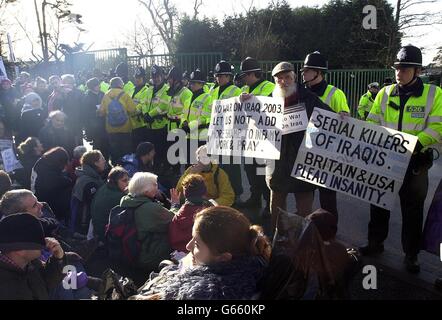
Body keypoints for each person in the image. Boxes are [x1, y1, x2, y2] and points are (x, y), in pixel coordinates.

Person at [361, 45, 442, 274]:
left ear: (417, 71)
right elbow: (372, 121)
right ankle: (375, 243)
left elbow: (438, 127)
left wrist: (415, 143)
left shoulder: (434, 94)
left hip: (415, 163)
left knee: (412, 211)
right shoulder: (384, 93)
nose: (399, 72)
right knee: (377, 203)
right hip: (385, 160)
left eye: (405, 69)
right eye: (397, 68)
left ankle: (411, 255)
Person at [132, 206, 271, 300]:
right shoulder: (248, 268)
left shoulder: (204, 294)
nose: (188, 246)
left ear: (223, 258)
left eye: (197, 244)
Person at [267, 62, 331, 234]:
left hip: (303, 163)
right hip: (277, 165)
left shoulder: (308, 98)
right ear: (275, 81)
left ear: (294, 78)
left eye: (288, 77)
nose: (284, 81)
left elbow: (328, 117)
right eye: (280, 78)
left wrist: (340, 116)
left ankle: (303, 244)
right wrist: (246, 100)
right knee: (277, 210)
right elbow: (252, 118)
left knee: (304, 211)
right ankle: (276, 243)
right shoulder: (268, 100)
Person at [301, 51, 349, 217]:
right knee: (305, 196)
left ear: (318, 72)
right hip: (305, 152)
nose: (303, 73)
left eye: (307, 70)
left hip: (327, 156)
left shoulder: (335, 93)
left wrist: (344, 117)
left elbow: (345, 124)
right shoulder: (300, 92)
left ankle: (329, 236)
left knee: (327, 199)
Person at [118, 172, 174, 282]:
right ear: (146, 190)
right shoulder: (150, 208)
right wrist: (175, 205)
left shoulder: (128, 201)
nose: (157, 187)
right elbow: (175, 221)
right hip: (150, 258)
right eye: (155, 184)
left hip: (135, 253)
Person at [236, 57, 274, 211]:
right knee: (250, 170)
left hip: (264, 139)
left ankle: (268, 204)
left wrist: (251, 100)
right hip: (249, 138)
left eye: (245, 75)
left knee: (263, 172)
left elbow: (270, 106)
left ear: (252, 74)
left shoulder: (269, 86)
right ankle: (255, 198)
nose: (243, 78)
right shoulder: (245, 90)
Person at [0, 213, 66, 300]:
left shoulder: (30, 263)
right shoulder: (4, 287)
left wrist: (58, 258)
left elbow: (46, 282)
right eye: (37, 244)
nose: (45, 243)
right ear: (20, 250)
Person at [210, 60, 243, 204]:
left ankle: (237, 193)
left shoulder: (236, 91)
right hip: (217, 133)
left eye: (222, 76)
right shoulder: (214, 91)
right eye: (217, 76)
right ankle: (223, 192)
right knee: (219, 165)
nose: (219, 78)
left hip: (231, 134)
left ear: (229, 76)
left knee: (232, 166)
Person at [168, 174, 213, 253]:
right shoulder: (212, 213)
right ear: (204, 191)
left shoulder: (178, 216)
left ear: (185, 193)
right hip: (204, 254)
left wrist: (174, 205)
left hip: (180, 256)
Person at [98, 77, 138, 164]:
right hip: (125, 128)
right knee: (126, 150)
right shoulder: (125, 94)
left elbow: (101, 112)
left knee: (114, 149)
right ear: (120, 84)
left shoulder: (106, 95)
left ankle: (116, 166)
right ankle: (126, 167)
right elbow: (132, 110)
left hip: (111, 128)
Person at [32, 147, 73, 222]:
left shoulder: (42, 164)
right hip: (50, 208)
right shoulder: (46, 170)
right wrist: (69, 181)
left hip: (45, 202)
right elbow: (55, 181)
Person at [70, 150, 106, 235]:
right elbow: (97, 205)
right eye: (102, 159)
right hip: (85, 228)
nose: (104, 161)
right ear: (95, 163)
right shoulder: (89, 182)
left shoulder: (87, 176)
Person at [181, 69, 213, 164]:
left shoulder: (207, 98)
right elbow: (184, 114)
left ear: (202, 84)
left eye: (194, 83)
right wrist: (184, 122)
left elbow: (205, 117)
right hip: (189, 136)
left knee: (200, 166)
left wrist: (190, 126)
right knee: (189, 164)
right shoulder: (189, 98)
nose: (192, 85)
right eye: (191, 83)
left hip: (200, 137)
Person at [141, 65, 170, 169]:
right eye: (154, 77)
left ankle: (162, 169)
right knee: (150, 151)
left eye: (158, 76)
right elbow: (143, 102)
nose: (156, 79)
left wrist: (150, 114)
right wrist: (145, 113)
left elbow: (163, 105)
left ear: (162, 76)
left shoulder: (166, 89)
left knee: (160, 150)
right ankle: (153, 167)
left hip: (160, 126)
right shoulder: (149, 89)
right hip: (149, 126)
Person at [91, 166, 129, 242]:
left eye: (128, 180)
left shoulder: (104, 187)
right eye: (124, 180)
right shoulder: (119, 197)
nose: (128, 183)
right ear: (115, 181)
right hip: (105, 235)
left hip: (96, 230)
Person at [166, 66, 192, 175]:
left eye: (170, 79)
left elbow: (189, 111)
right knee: (173, 158)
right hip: (171, 128)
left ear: (176, 79)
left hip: (180, 128)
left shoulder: (185, 92)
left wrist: (177, 118)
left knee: (182, 158)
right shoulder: (172, 92)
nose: (168, 81)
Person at [83, 77, 109, 160]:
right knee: (97, 146)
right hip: (94, 126)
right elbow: (85, 112)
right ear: (92, 87)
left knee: (106, 144)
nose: (99, 86)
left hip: (105, 123)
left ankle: (106, 162)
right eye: (97, 85)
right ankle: (96, 162)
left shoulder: (102, 94)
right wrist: (96, 113)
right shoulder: (87, 97)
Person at [60, 74, 85, 145]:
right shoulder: (60, 93)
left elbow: (81, 107)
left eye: (69, 82)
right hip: (64, 121)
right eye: (65, 82)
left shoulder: (79, 92)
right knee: (68, 142)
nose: (67, 84)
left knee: (78, 142)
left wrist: (69, 94)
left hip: (77, 121)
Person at [131, 67, 149, 149]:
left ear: (143, 78)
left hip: (141, 125)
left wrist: (130, 111)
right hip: (132, 125)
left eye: (139, 78)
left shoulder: (147, 90)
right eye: (136, 77)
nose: (137, 79)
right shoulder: (132, 89)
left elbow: (142, 105)